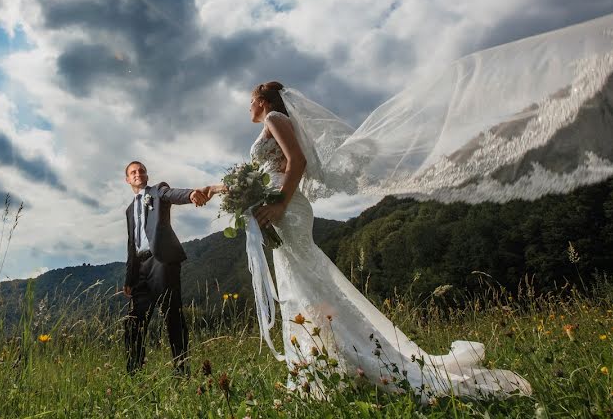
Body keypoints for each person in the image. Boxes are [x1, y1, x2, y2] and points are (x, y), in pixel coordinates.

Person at [203, 82, 534, 400]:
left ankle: (336, 364)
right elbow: (250, 174)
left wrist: (279, 204)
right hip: (278, 208)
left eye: (250, 101)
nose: (249, 107)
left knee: (304, 284)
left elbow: (297, 161)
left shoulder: (275, 118)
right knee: (300, 285)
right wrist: (211, 189)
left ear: (263, 101)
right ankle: (323, 365)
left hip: (285, 209)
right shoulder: (268, 128)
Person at [122, 160, 208, 375]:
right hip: (140, 270)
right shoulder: (129, 210)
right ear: (127, 179)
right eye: (133, 172)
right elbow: (131, 244)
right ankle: (134, 373)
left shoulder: (158, 192)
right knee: (134, 321)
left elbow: (173, 194)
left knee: (172, 316)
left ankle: (182, 371)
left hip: (161, 262)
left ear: (147, 176)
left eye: (141, 171)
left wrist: (190, 195)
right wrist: (129, 278)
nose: (138, 174)